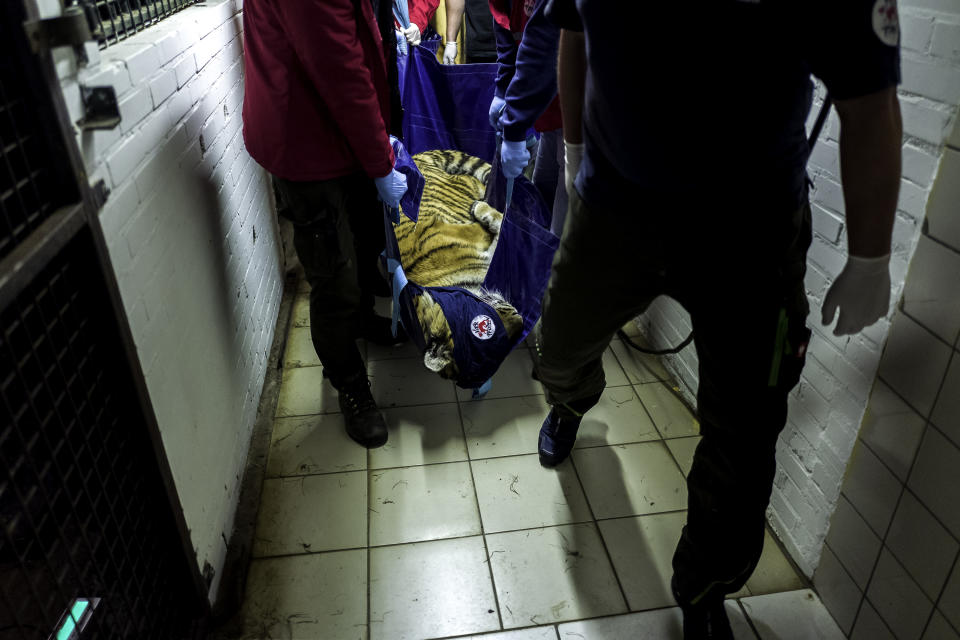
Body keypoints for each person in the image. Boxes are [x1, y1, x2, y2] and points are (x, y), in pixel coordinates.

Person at [535, 2, 901, 638]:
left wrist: (870, 256)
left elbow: (869, 97)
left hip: (751, 232)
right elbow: (575, 30)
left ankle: (704, 585)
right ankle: (572, 400)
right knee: (559, 347)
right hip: (615, 210)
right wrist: (571, 148)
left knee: (747, 429)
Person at [242, 0, 410, 449]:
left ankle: (357, 322)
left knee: (356, 242)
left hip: (337, 132)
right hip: (306, 140)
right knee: (333, 273)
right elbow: (340, 69)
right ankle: (348, 381)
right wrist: (380, 162)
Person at [488, 0, 566, 235]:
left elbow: (544, 47)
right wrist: (502, 91)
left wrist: (514, 128)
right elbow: (508, 37)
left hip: (579, 112)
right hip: (550, 116)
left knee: (558, 233)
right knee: (538, 201)